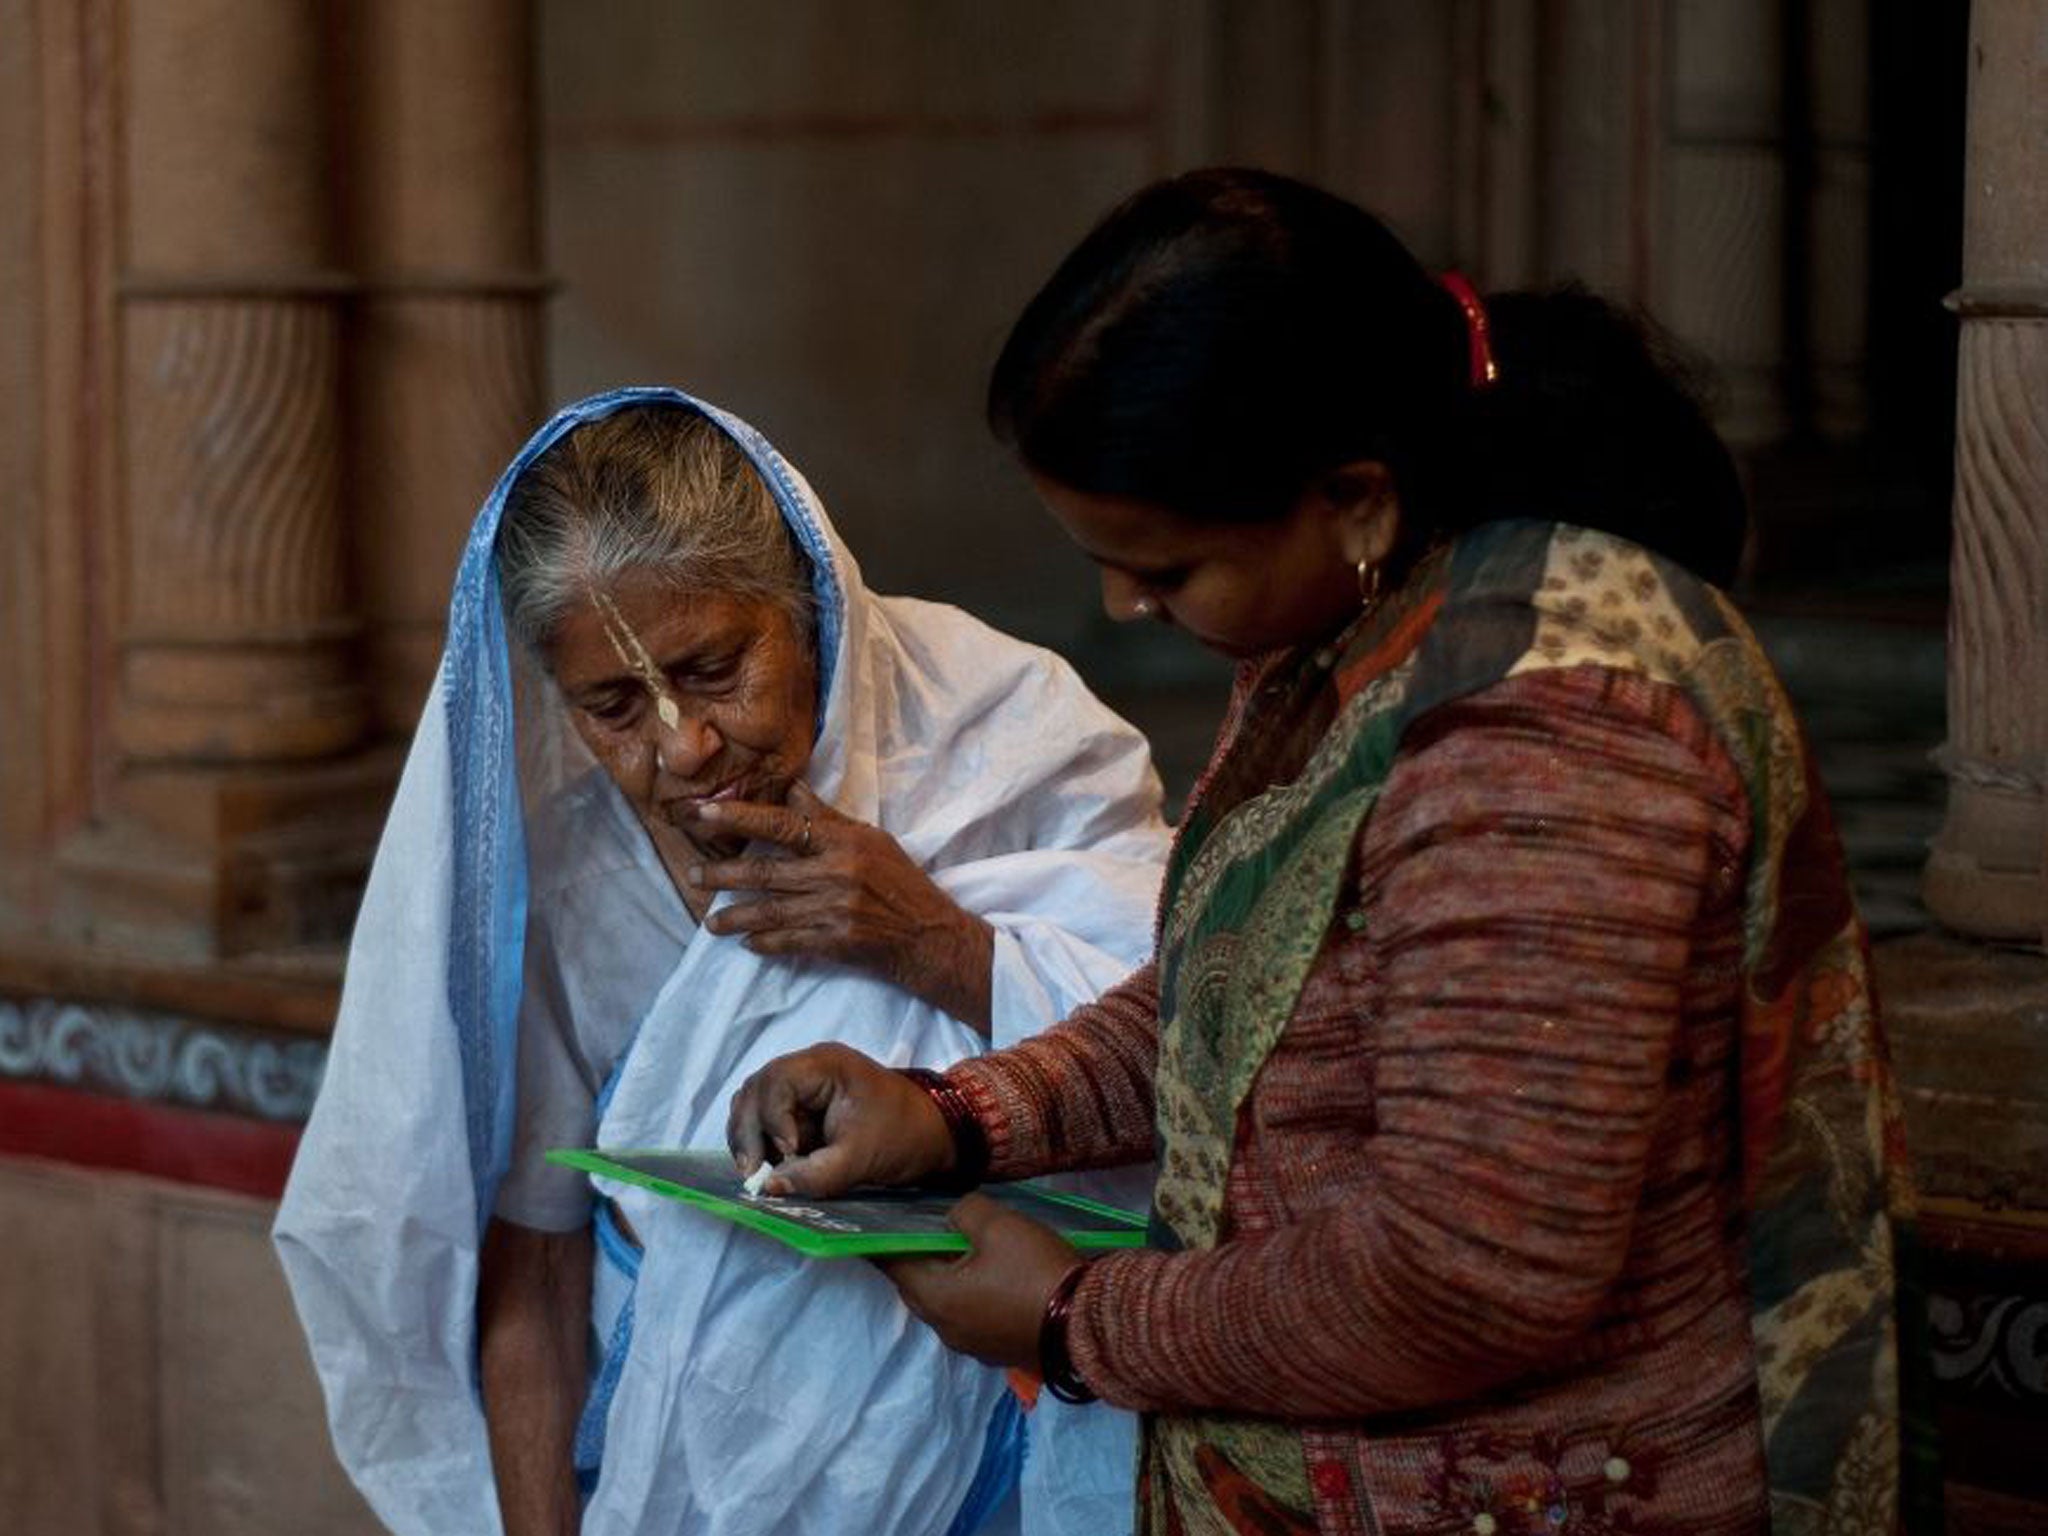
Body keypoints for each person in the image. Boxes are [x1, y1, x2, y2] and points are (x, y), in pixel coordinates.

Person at [728, 169, 1921, 1535]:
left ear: (1353, 498)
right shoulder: (1354, 622)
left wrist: (1069, 1315)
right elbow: (1244, 1001)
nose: (1125, 604)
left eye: (1167, 569)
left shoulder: (1546, 749)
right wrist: (957, 1116)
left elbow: (1466, 1274)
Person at [274, 388, 1170, 1536]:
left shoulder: (1002, 727)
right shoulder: (566, 883)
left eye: (713, 669)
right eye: (611, 705)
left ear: (804, 596)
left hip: (1001, 1441)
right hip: (686, 1464)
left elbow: (1204, 1042)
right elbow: (539, 1254)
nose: (681, 746)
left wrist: (930, 943)